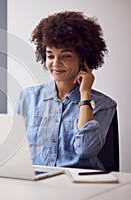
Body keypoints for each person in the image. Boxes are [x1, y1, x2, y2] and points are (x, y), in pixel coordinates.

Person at [16, 11, 117, 170]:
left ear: (83, 60)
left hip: (80, 189)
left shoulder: (103, 104)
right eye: (50, 56)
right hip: (36, 186)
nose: (56, 63)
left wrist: (85, 96)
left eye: (66, 56)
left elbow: (86, 150)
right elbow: (16, 153)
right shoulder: (28, 98)